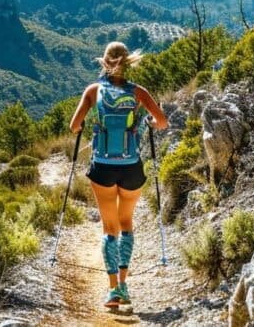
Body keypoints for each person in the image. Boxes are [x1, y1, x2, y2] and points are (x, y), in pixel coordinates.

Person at [68, 41, 168, 310]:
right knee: (126, 223)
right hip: (131, 166)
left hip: (102, 166)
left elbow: (74, 126)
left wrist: (84, 130)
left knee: (109, 227)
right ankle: (124, 284)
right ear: (128, 62)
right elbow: (162, 122)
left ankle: (113, 290)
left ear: (104, 62)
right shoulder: (138, 93)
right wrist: (147, 122)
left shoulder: (93, 91)